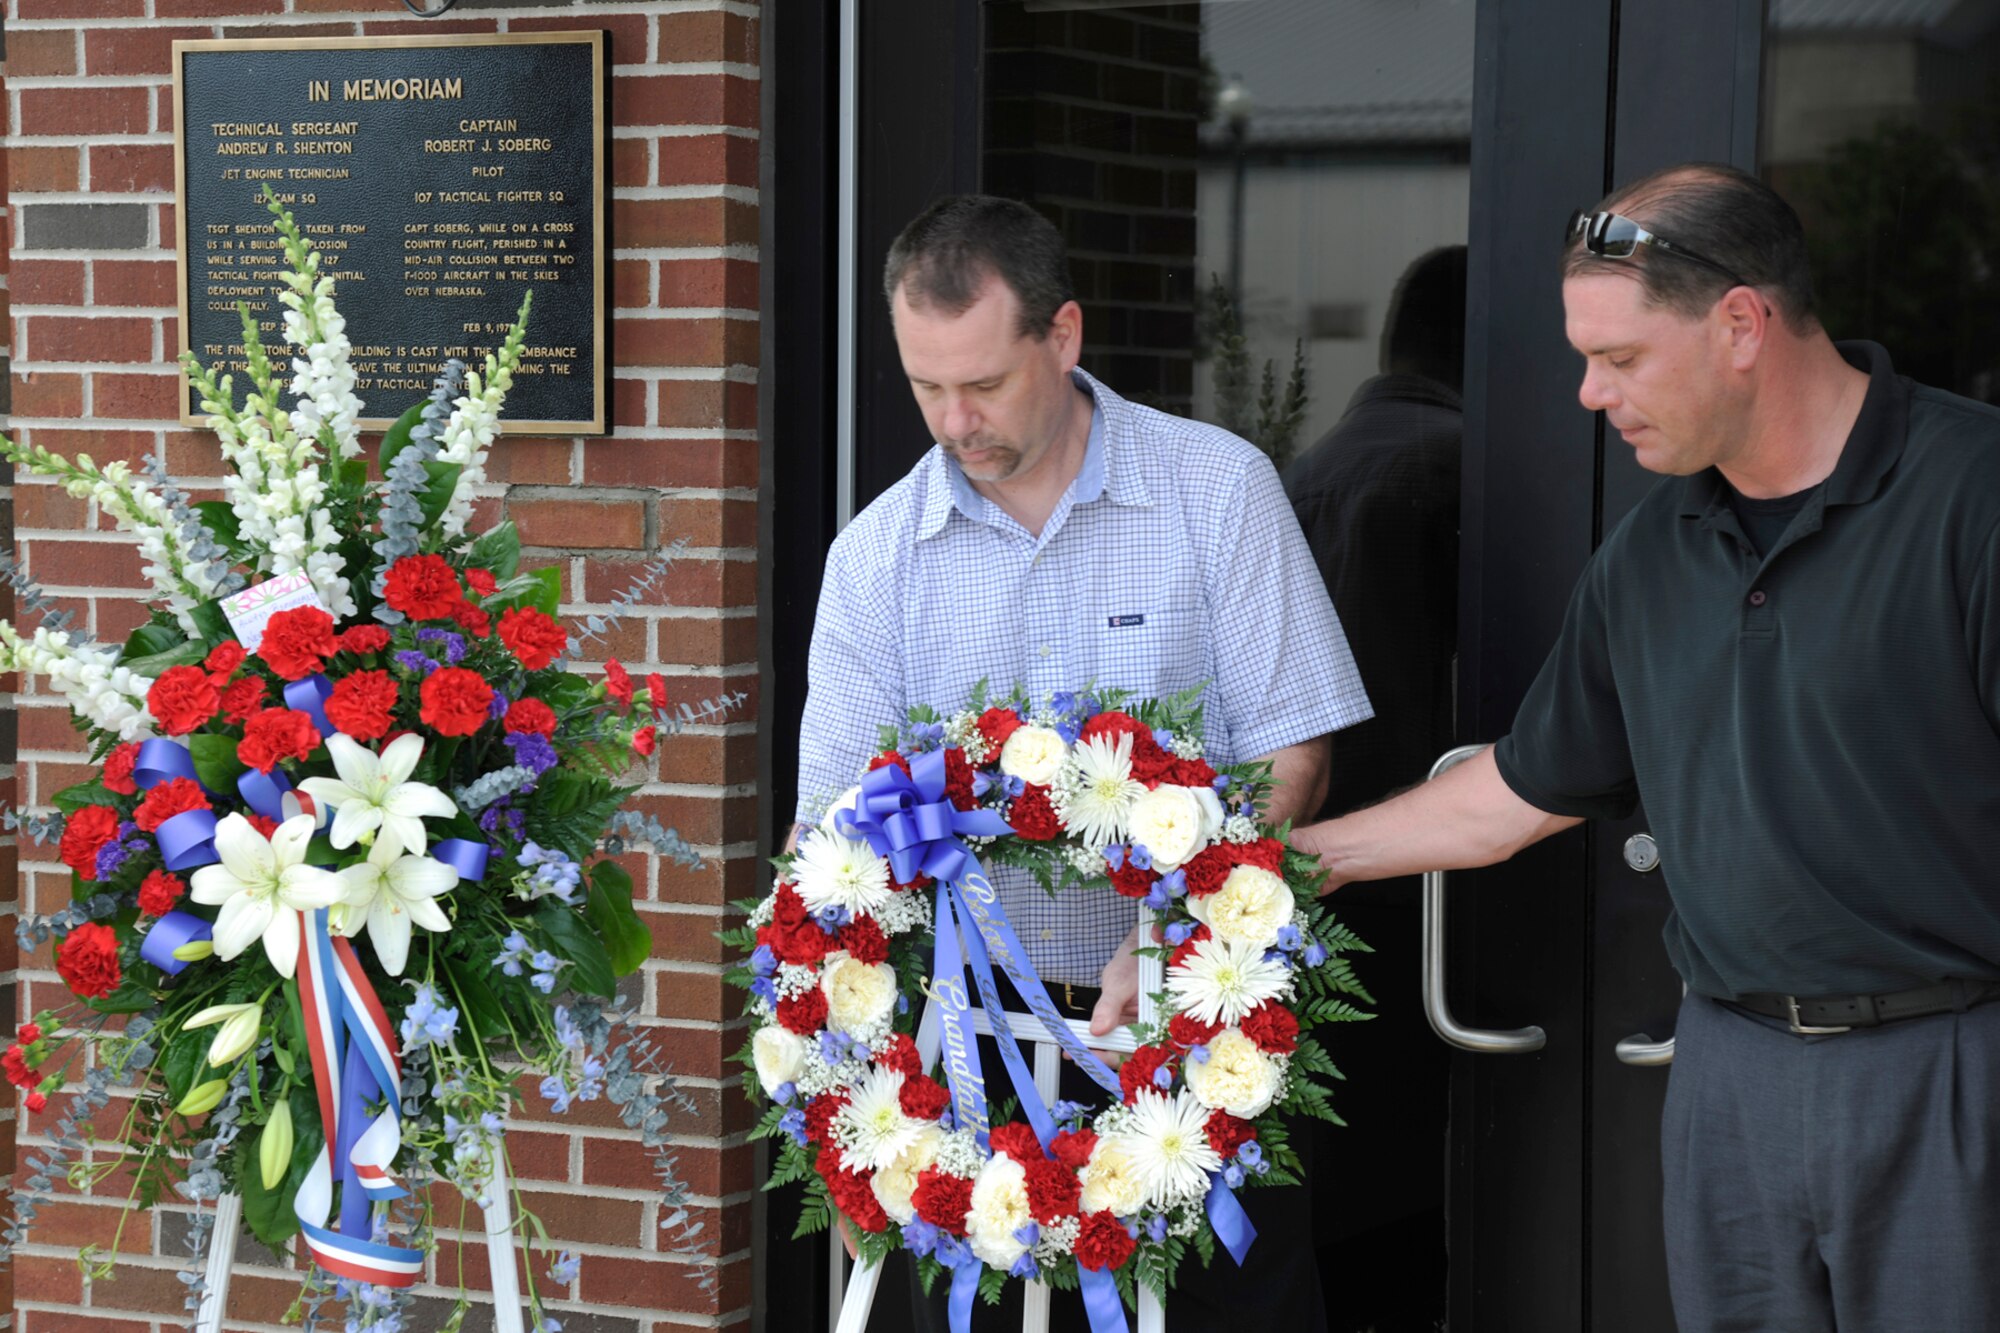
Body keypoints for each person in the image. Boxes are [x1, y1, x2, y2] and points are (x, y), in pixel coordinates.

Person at [1290, 161, 2000, 1332]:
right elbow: (1515, 791)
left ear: (1737, 325)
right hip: (1726, 1075)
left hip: (1947, 1074)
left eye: (1616, 358)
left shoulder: (1971, 498)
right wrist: (1266, 864)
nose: (1585, 393)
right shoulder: (1651, 548)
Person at [796, 193, 1372, 1330]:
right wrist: (845, 1074)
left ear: (1059, 336)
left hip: (1193, 1034)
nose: (954, 420)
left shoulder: (1217, 491)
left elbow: (1289, 749)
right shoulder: (873, 559)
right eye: (925, 387)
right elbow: (830, 836)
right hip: (968, 1066)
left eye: (983, 383)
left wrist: (1175, 933)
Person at [1280, 244, 1467, 1330]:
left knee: (1341, 1196)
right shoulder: (1456, 463)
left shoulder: (1305, 466)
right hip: (1429, 881)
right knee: (1411, 1203)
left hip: (1328, 875)